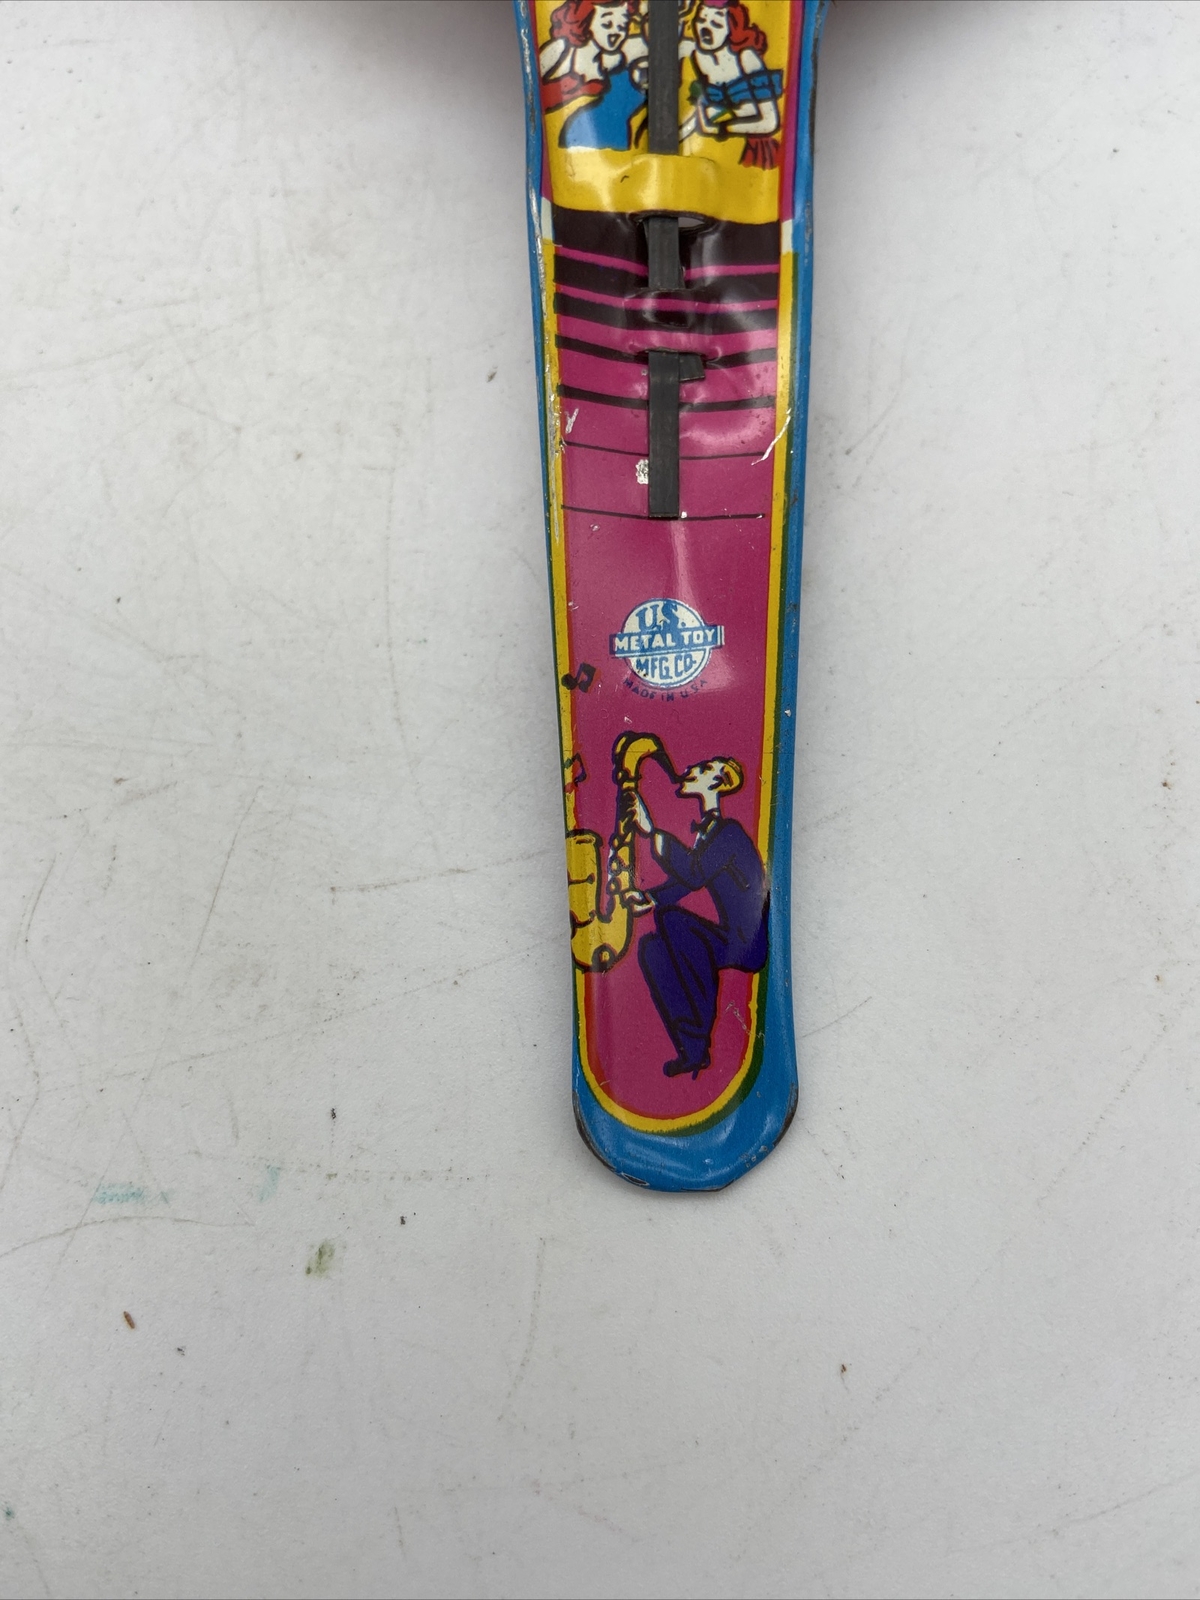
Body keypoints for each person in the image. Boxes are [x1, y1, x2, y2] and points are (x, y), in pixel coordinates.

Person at [625, 755, 768, 1078]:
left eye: (702, 770)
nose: (689, 770)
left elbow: (692, 874)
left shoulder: (729, 833)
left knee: (674, 922)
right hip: (729, 937)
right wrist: (649, 898)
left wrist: (651, 831)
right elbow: (690, 879)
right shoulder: (710, 833)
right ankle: (692, 1051)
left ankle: (702, 1037)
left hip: (747, 944)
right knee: (652, 948)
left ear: (718, 783)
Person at [680, 1, 783, 169]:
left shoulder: (746, 57)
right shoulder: (700, 58)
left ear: (731, 30)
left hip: (760, 148)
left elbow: (770, 122)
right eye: (701, 20)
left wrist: (721, 129)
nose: (705, 28)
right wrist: (684, 131)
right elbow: (719, 105)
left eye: (716, 24)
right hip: (722, 149)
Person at [539, 0, 648, 150]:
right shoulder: (563, 50)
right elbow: (533, 86)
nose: (616, 32)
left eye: (622, 26)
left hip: (614, 141)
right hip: (570, 141)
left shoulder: (616, 59)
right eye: (607, 24)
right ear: (586, 21)